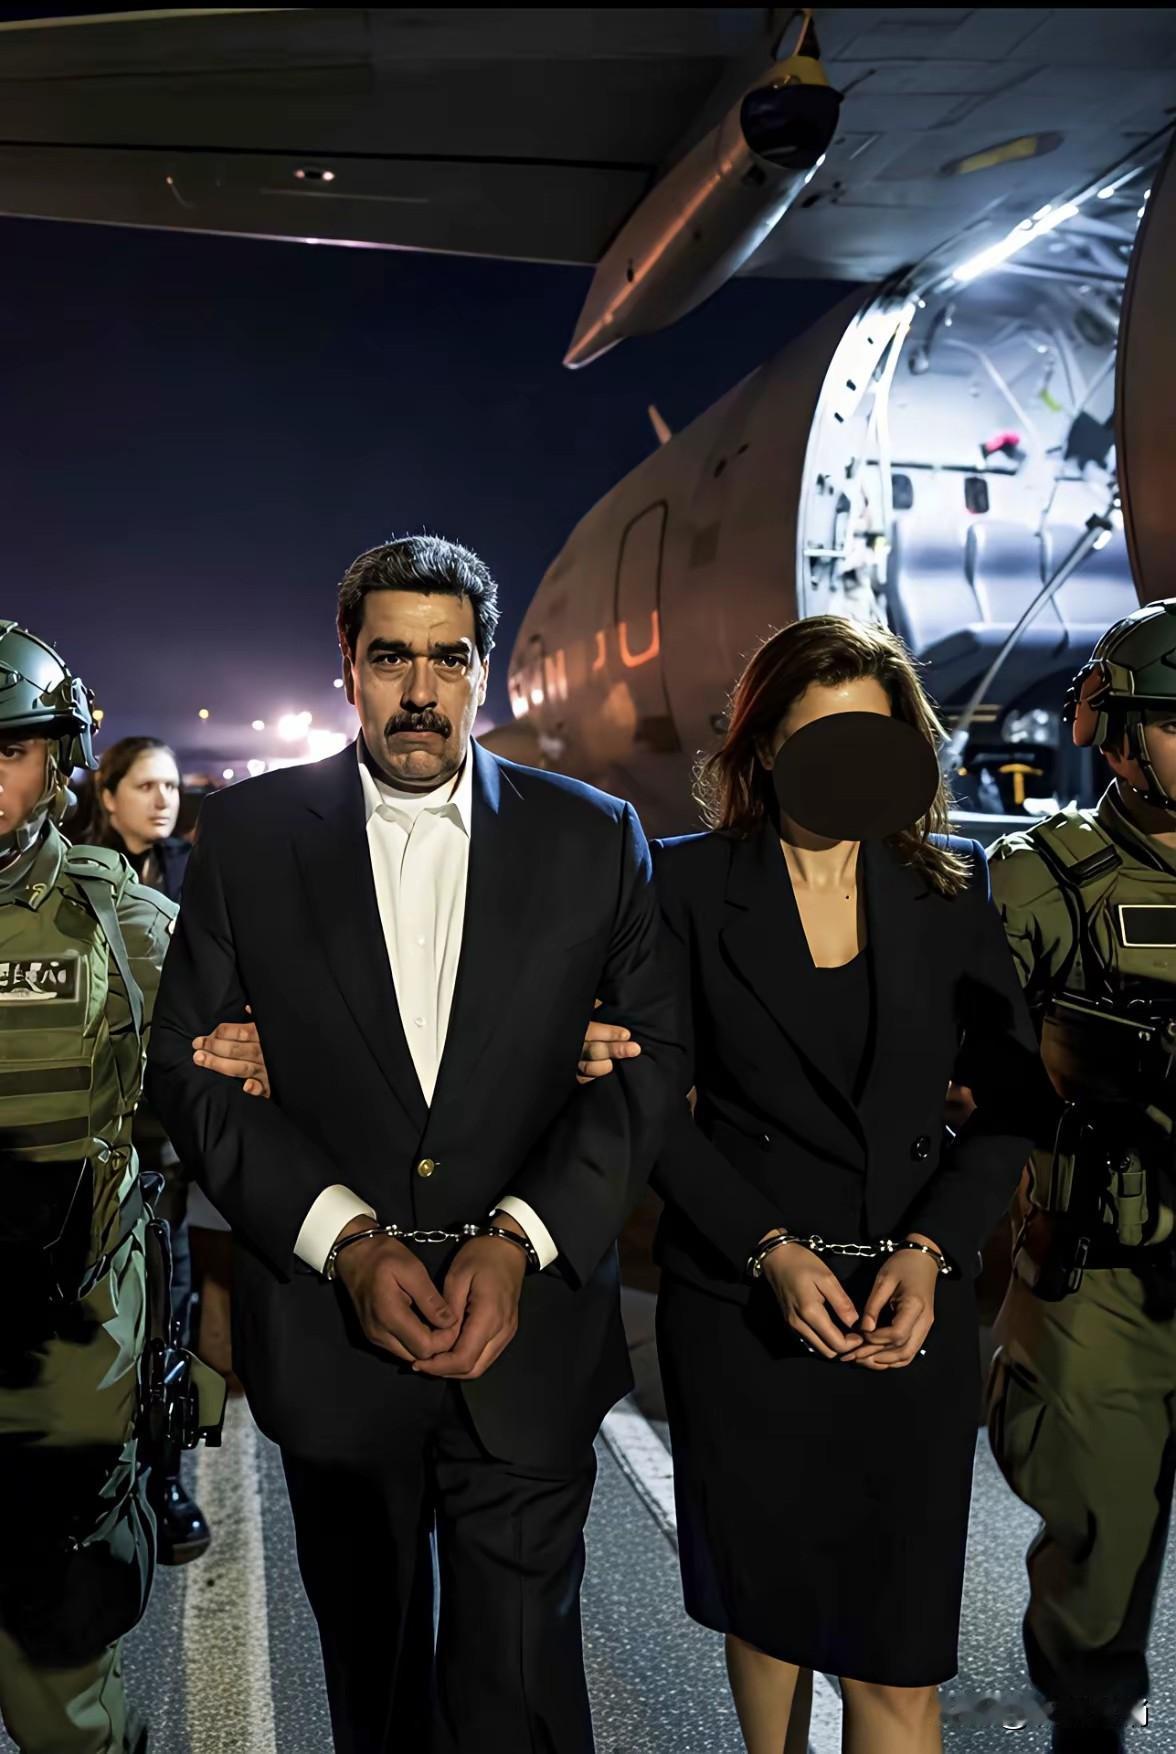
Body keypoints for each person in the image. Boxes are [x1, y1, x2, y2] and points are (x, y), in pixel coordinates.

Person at [144, 534, 684, 1754]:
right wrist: (344, 1239)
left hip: (530, 1343)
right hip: (335, 1347)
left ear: (485, 668)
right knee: (376, 1687)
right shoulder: (249, 834)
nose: (422, 690)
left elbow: (649, 1067)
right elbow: (188, 1069)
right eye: (393, 657)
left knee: (522, 1693)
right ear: (348, 663)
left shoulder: (595, 834)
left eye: (449, 658)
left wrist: (522, 1237)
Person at [643, 616, 1047, 1754]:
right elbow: (645, 1107)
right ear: (766, 746)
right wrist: (765, 1247)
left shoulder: (950, 890)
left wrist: (934, 1249)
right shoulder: (682, 885)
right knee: (768, 1622)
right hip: (744, 1312)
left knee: (897, 1659)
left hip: (905, 1319)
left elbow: (1012, 1100)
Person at [985, 599, 1176, 1754]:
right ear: (1116, 732)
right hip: (1104, 1271)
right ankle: (1086, 1715)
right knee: (1101, 1552)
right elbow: (964, 1072)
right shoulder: (1042, 879)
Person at [84, 736, 209, 1564]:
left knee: (170, 1305)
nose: (163, 800)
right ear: (108, 794)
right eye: (146, 785)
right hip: (93, 1137)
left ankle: (166, 1477)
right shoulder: (72, 877)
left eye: (170, 786)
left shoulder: (195, 875)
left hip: (168, 1143)